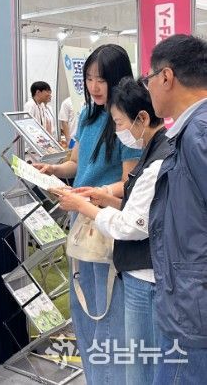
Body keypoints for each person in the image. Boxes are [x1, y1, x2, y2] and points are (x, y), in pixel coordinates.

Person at [50, 77, 168, 385]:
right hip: (140, 267)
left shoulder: (157, 159)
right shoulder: (154, 149)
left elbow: (132, 224)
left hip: (145, 273)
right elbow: (138, 208)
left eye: (119, 123)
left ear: (142, 118)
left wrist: (85, 205)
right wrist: (104, 198)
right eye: (88, 78)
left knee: (139, 365)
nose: (117, 131)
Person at [34, 44, 140, 385]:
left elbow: (129, 183)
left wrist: (96, 194)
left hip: (104, 223)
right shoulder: (87, 116)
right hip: (80, 218)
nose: (94, 86)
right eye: (89, 78)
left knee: (105, 310)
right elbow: (76, 164)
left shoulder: (125, 121)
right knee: (82, 308)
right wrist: (52, 170)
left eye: (102, 79)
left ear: (118, 79)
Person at [144, 34, 207, 383]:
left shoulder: (199, 132)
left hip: (194, 314)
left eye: (149, 78)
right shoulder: (191, 132)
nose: (149, 87)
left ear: (166, 77)